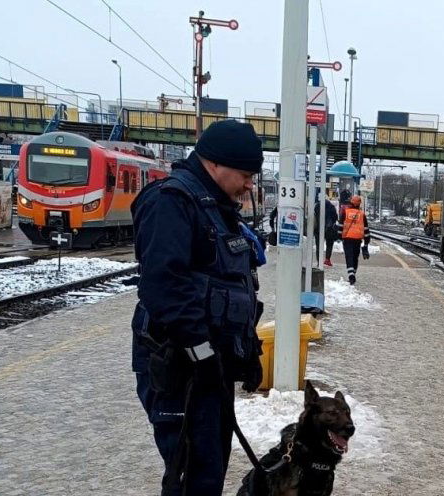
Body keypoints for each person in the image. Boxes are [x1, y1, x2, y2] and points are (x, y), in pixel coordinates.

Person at [131, 120, 266, 496]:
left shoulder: (216, 207)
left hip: (208, 367)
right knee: (191, 472)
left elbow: (232, 286)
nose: (249, 184)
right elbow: (164, 286)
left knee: (208, 468)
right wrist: (201, 353)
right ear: (216, 164)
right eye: (245, 174)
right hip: (179, 367)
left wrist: (248, 354)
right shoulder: (171, 201)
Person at [334, 195, 370, 285]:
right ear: (359, 204)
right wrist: (366, 242)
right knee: (355, 257)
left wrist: (339, 237)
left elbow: (341, 226)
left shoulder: (345, 212)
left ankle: (351, 275)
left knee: (349, 256)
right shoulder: (362, 215)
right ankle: (353, 272)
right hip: (357, 239)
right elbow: (366, 229)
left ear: (351, 203)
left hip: (347, 238)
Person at [314, 195, 338, 266]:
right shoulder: (331, 207)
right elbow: (335, 217)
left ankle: (319, 261)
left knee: (318, 246)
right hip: (329, 229)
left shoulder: (317, 206)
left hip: (318, 228)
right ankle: (327, 259)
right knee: (329, 244)